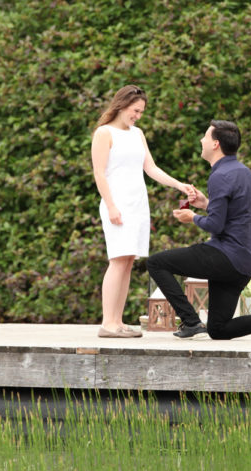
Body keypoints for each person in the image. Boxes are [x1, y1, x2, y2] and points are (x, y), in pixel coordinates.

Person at [147, 120, 251, 341]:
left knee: (156, 263)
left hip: (224, 256)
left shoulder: (220, 176)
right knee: (219, 329)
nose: (201, 140)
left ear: (215, 144)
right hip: (244, 262)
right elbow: (236, 215)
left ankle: (191, 322)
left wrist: (192, 217)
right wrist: (205, 204)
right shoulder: (246, 173)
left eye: (205, 136)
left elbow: (215, 225)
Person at [91, 85, 195, 338]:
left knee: (128, 262)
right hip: (117, 205)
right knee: (117, 260)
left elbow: (151, 168)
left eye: (141, 112)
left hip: (137, 205)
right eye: (135, 110)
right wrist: (112, 206)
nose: (138, 115)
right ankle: (108, 323)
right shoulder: (104, 133)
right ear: (122, 105)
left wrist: (179, 184)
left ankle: (118, 321)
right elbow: (99, 173)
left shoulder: (137, 134)